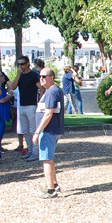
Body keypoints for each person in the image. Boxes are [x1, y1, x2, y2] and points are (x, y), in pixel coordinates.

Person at [32, 69, 65, 198]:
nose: (41, 79)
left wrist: (37, 131)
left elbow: (48, 113)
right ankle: (54, 184)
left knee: (46, 159)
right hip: (51, 130)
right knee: (49, 159)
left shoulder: (52, 92)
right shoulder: (52, 91)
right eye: (40, 76)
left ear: (51, 77)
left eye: (44, 76)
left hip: (48, 130)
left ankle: (51, 189)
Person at [13, 56, 40, 157]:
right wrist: (18, 75)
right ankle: (30, 149)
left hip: (31, 105)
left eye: (22, 64)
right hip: (22, 105)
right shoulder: (20, 76)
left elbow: (40, 88)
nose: (21, 66)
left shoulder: (33, 75)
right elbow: (13, 86)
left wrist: (40, 100)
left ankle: (35, 151)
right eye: (19, 64)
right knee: (25, 130)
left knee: (33, 129)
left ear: (27, 63)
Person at [0, 73, 12, 159]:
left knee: (2, 129)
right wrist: (9, 95)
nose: (3, 77)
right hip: (1, 112)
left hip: (2, 111)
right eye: (2, 76)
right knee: (0, 129)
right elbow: (1, 100)